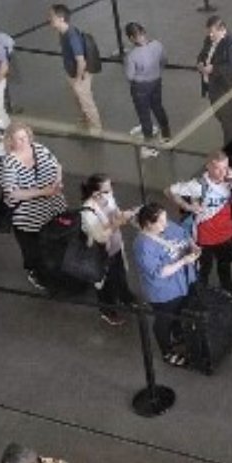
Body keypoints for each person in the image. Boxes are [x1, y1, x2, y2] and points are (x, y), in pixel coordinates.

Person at [169, 153, 232, 297]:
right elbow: (170, 190)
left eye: (225, 168)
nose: (222, 173)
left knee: (225, 266)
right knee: (203, 269)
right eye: (218, 168)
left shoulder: (230, 180)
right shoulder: (198, 185)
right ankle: (201, 297)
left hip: (226, 234)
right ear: (208, 167)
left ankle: (227, 291)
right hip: (204, 237)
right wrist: (187, 207)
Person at [0, 120, 66, 292]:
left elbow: (57, 166)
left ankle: (52, 270)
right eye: (19, 139)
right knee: (32, 249)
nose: (24, 142)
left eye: (25, 137)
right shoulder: (9, 163)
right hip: (27, 217)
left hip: (51, 208)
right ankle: (36, 274)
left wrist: (57, 181)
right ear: (10, 141)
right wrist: (43, 191)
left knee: (51, 243)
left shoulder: (39, 149)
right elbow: (12, 193)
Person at [132, 203, 199, 367]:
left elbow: (184, 235)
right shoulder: (143, 245)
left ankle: (178, 335)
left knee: (179, 312)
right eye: (160, 221)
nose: (166, 224)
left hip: (183, 283)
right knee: (164, 321)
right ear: (148, 224)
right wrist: (184, 261)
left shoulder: (167, 226)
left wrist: (193, 246)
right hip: (164, 292)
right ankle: (167, 352)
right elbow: (159, 272)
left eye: (165, 219)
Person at [80, 173, 136, 326]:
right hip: (101, 254)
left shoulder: (108, 198)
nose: (110, 192)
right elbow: (101, 237)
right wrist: (118, 223)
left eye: (111, 188)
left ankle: (125, 297)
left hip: (115, 247)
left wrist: (126, 215)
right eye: (106, 190)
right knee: (105, 283)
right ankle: (108, 311)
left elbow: (116, 212)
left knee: (120, 274)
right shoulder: (88, 211)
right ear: (95, 193)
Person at [197, 15, 232, 169]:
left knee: (230, 122)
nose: (210, 35)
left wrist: (213, 69)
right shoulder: (209, 40)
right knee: (225, 119)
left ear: (222, 30)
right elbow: (203, 54)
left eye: (213, 32)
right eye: (209, 32)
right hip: (214, 88)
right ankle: (231, 152)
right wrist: (200, 63)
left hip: (226, 89)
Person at [49, 4, 101, 132]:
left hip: (80, 75)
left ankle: (96, 128)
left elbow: (81, 61)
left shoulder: (72, 36)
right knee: (79, 100)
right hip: (73, 73)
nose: (49, 19)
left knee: (86, 103)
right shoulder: (63, 33)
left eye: (52, 16)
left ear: (61, 18)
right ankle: (85, 121)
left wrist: (78, 79)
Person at [124, 22, 170, 155]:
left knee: (144, 115)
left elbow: (130, 76)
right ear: (144, 32)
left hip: (140, 87)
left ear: (131, 38)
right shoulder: (157, 45)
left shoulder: (132, 55)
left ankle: (149, 145)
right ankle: (166, 134)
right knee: (158, 107)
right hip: (156, 81)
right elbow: (164, 61)